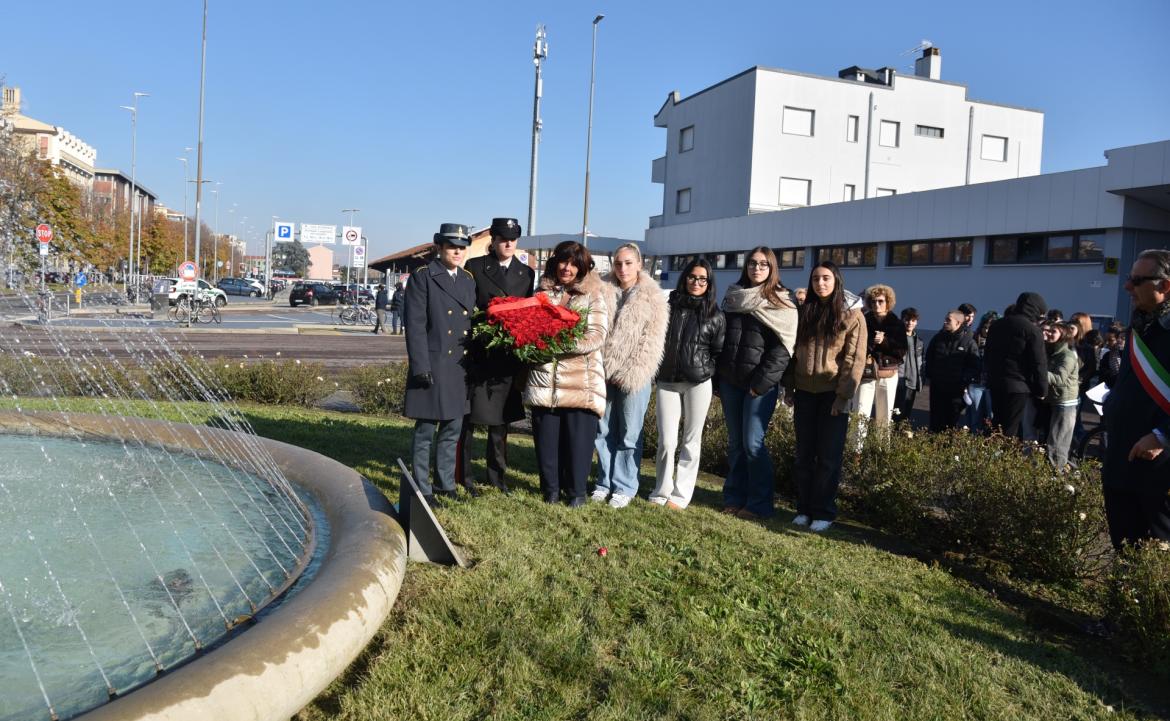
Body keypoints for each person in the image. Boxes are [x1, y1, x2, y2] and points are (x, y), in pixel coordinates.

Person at [523, 240, 611, 507]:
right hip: (544, 380)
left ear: (583, 268)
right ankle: (550, 491)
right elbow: (528, 327)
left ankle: (576, 493)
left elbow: (596, 335)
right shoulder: (542, 293)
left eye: (574, 264)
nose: (567, 268)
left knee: (578, 444)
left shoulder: (594, 294)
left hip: (580, 382)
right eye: (563, 261)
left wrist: (557, 343)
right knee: (547, 442)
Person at [716, 246, 797, 520]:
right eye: (752, 263)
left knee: (753, 444)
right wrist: (720, 378)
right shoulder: (734, 297)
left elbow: (783, 350)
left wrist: (760, 384)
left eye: (763, 264)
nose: (757, 268)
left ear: (772, 268)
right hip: (730, 382)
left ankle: (759, 503)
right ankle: (734, 497)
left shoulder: (782, 303)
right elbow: (722, 339)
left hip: (759, 387)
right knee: (736, 444)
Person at [456, 217, 536, 495]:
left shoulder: (526, 274)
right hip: (479, 356)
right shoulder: (475, 267)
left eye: (513, 238)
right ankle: (463, 477)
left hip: (507, 358)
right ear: (493, 239)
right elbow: (467, 309)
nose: (509, 243)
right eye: (503, 238)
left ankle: (497, 478)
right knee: (468, 422)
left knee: (500, 425)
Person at [785, 261, 866, 532]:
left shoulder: (851, 314)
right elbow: (792, 350)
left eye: (826, 278)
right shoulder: (804, 309)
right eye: (816, 278)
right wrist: (789, 387)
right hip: (805, 392)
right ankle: (804, 509)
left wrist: (843, 397)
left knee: (828, 458)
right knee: (804, 455)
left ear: (836, 281)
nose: (821, 283)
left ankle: (824, 511)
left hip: (832, 394)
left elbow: (854, 358)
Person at [403, 223, 477, 505]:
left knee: (452, 428)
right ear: (439, 247)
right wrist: (421, 366)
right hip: (433, 363)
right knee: (425, 430)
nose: (457, 252)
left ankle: (446, 484)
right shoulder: (423, 277)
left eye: (461, 248)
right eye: (451, 247)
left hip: (459, 366)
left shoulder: (468, 280)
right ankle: (422, 487)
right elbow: (416, 325)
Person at [1102, 249, 1170, 548]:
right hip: (1121, 455)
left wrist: (1162, 436)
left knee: (1156, 552)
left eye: (1137, 280)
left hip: (1158, 465)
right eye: (1129, 278)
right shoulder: (1141, 325)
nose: (1127, 286)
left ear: (1165, 286)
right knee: (1125, 547)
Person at [594, 243, 669, 508]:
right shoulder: (602, 291)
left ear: (639, 264)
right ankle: (604, 481)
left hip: (634, 376)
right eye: (618, 263)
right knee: (602, 431)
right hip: (602, 372)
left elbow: (651, 343)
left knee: (629, 434)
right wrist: (601, 367)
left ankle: (625, 485)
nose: (622, 268)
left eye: (628, 263)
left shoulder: (653, 297)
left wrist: (628, 373)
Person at [650, 258, 725, 510]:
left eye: (702, 279)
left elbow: (718, 350)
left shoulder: (714, 314)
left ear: (709, 283)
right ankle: (661, 490)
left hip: (697, 383)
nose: (696, 283)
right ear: (685, 278)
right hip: (667, 381)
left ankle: (680, 496)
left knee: (691, 441)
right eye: (693, 277)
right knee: (667, 440)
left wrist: (705, 370)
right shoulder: (668, 306)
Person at [984, 291, 1049, 440]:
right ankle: (1004, 460)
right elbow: (1039, 363)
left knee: (997, 424)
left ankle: (990, 458)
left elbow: (988, 354)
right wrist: (1042, 389)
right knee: (1010, 428)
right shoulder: (1032, 330)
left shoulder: (997, 325)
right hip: (1019, 386)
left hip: (996, 382)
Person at [853, 284, 908, 443]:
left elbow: (901, 351)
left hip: (887, 374)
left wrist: (884, 342)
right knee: (860, 414)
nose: (877, 304)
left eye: (881, 301)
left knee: (884, 416)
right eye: (873, 301)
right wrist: (872, 342)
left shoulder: (896, 324)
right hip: (866, 373)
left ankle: (881, 453)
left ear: (888, 302)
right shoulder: (863, 321)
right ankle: (856, 453)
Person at [924, 310, 981, 432]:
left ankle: (948, 448)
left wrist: (963, 380)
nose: (945, 322)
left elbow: (974, 366)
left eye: (948, 320)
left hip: (955, 392)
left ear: (958, 323)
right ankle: (933, 448)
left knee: (951, 423)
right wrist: (931, 375)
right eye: (945, 319)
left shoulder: (968, 342)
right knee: (935, 422)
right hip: (937, 388)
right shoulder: (938, 338)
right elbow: (929, 358)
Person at [1041, 321, 1080, 470]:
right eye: (1049, 330)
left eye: (1054, 331)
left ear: (1062, 335)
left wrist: (1039, 371)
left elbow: (1059, 378)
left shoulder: (1067, 356)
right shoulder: (1052, 351)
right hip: (1054, 401)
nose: (1049, 333)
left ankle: (1056, 477)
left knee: (1057, 443)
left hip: (1064, 403)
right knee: (1053, 441)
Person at [893, 307, 923, 425]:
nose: (910, 323)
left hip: (912, 382)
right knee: (896, 413)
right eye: (907, 320)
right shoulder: (896, 337)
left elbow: (920, 363)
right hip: (898, 381)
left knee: (906, 416)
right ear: (902, 320)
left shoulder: (919, 341)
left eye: (913, 320)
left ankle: (901, 439)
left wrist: (920, 380)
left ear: (916, 322)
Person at [1099, 322, 1126, 388]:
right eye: (1106, 340)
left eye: (1110, 340)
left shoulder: (1129, 356)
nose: (1107, 343)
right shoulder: (1107, 356)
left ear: (1121, 339)